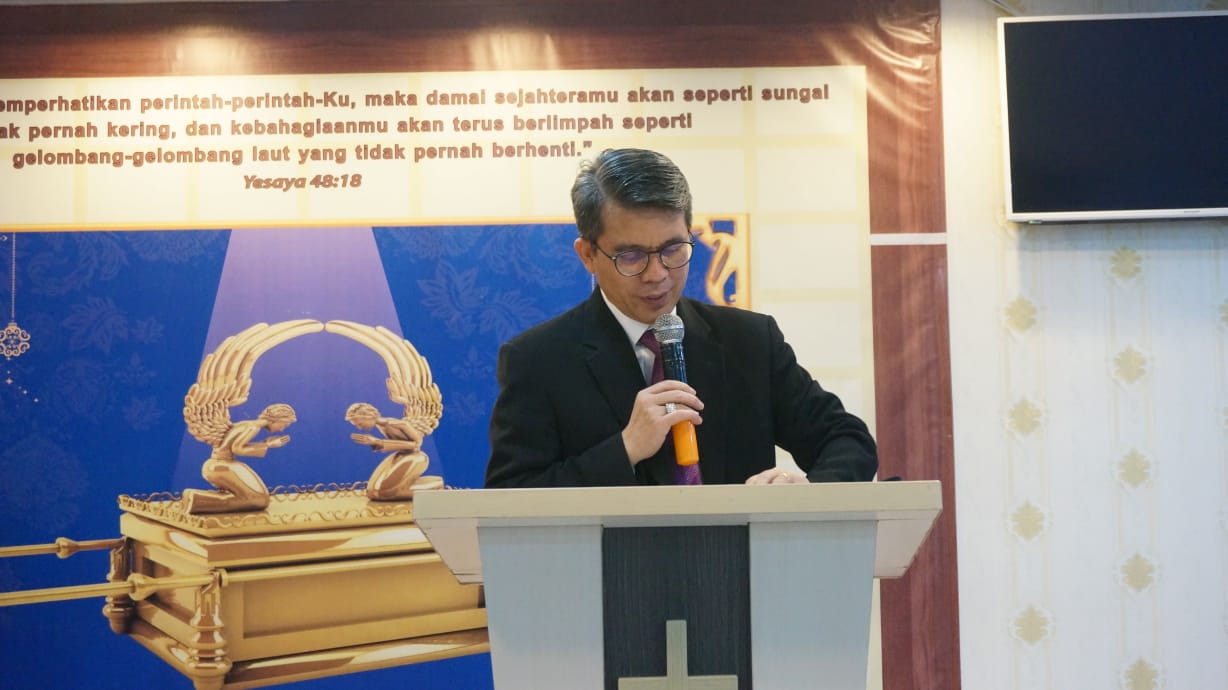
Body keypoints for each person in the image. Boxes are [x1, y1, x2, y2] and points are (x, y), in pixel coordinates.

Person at [484, 148, 877, 488]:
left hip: (739, 553)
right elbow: (512, 493)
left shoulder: (750, 340)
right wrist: (624, 449)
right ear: (588, 254)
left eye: (673, 249)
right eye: (632, 256)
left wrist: (804, 491)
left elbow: (847, 440)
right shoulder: (538, 360)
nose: (657, 274)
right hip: (613, 556)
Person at [184, 403, 296, 513]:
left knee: (255, 497)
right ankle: (196, 500)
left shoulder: (247, 424)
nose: (282, 429)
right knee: (259, 500)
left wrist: (265, 443)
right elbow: (237, 449)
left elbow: (235, 445)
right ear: (276, 419)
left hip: (216, 465)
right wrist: (268, 445)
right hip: (222, 466)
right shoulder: (253, 427)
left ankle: (196, 498)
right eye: (284, 424)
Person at [344, 402, 438, 500]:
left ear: (368, 416)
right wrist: (374, 443)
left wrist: (378, 442)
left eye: (360, 424)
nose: (359, 428)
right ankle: (411, 488)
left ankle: (437, 484)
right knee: (372, 491)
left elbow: (417, 443)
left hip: (415, 457)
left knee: (384, 492)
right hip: (401, 455)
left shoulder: (396, 424)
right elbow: (394, 443)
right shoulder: (381, 426)